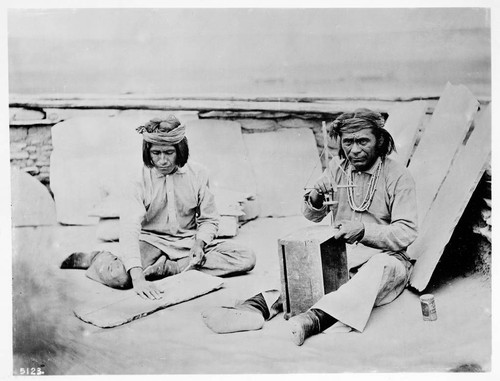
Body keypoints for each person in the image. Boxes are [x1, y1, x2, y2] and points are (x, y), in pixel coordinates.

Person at [202, 108, 418, 346]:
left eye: (363, 141)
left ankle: (312, 320)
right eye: (348, 142)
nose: (354, 150)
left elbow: (406, 231)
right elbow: (312, 216)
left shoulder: (398, 176)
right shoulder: (338, 168)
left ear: (380, 140)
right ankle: (254, 308)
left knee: (379, 267)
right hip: (341, 255)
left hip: (386, 258)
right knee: (294, 259)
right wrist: (316, 197)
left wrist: (364, 231)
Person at [61, 115, 256, 300]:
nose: (162, 160)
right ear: (148, 153)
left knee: (246, 258)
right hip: (151, 242)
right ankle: (97, 257)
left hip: (187, 243)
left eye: (169, 153)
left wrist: (200, 244)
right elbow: (129, 229)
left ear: (180, 150)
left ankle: (170, 268)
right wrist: (137, 278)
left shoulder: (198, 174)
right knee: (120, 277)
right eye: (156, 153)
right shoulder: (137, 181)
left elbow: (209, 219)